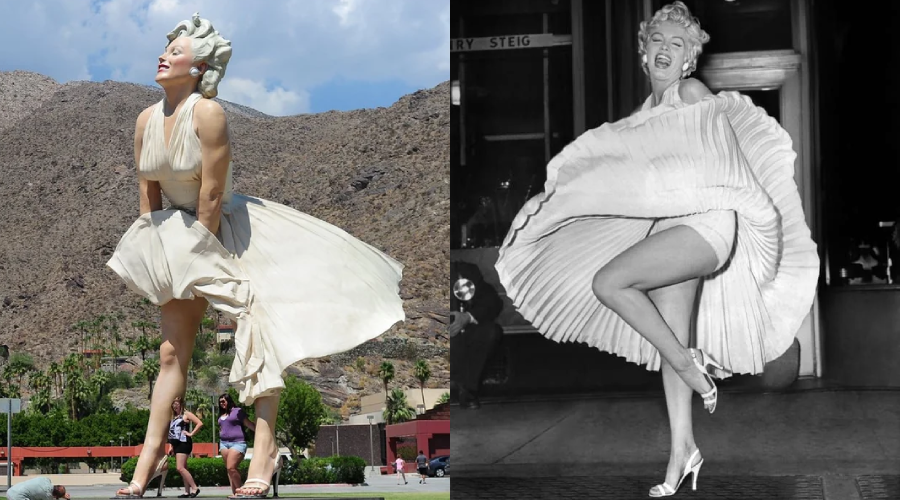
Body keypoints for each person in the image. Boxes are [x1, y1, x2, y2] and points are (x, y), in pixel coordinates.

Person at [494, 2, 818, 498]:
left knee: (610, 283)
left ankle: (694, 366)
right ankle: (682, 453)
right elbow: (639, 183)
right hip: (673, 230)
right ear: (643, 53)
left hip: (705, 229)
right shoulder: (643, 114)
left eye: (677, 44)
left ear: (689, 59)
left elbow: (721, 159)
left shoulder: (690, 93)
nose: (666, 50)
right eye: (658, 42)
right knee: (669, 339)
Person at [108, 12, 404, 499]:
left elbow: (210, 192)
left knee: (258, 329)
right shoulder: (144, 119)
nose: (163, 56)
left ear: (199, 66)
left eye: (176, 52)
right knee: (169, 352)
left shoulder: (208, 114)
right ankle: (147, 461)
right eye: (165, 51)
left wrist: (200, 254)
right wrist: (159, 258)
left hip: (223, 229)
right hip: (173, 234)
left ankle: (263, 452)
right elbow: (149, 199)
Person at [449, 260, 503, 409]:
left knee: (490, 331)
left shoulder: (465, 271)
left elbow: (493, 301)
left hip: (459, 332)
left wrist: (467, 317)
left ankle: (468, 390)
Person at [218, 393, 256, 495]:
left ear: (228, 400)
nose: (222, 404)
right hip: (224, 444)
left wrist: (260, 431)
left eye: (223, 401)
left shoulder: (237, 411)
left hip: (238, 443)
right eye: (220, 402)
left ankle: (240, 491)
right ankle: (235, 493)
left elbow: (248, 423)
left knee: (231, 467)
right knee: (229, 470)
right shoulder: (222, 414)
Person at [167, 396, 202, 498]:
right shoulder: (174, 417)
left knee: (180, 467)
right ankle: (187, 491)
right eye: (173, 403)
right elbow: (172, 433)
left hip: (184, 442)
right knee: (184, 467)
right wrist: (171, 446)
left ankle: (194, 488)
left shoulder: (186, 414)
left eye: (177, 403)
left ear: (181, 404)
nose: (175, 405)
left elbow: (199, 423)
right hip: (176, 443)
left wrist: (191, 433)